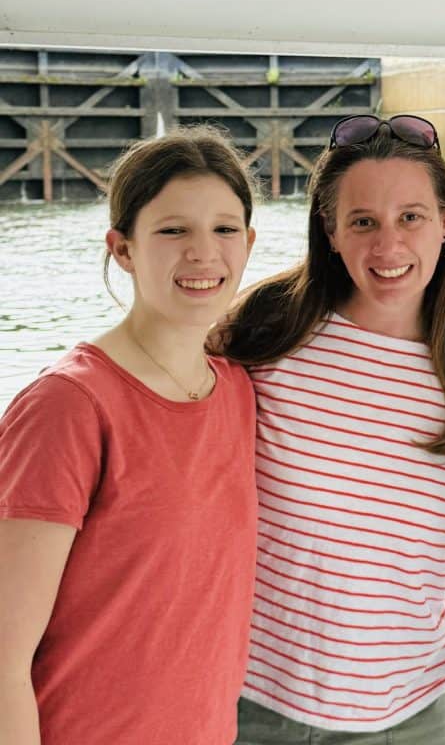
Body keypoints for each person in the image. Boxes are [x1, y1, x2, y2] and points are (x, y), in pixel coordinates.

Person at [217, 114, 445, 745]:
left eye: (411, 217)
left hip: (409, 718)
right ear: (331, 231)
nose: (387, 245)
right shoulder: (267, 328)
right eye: (363, 221)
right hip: (250, 704)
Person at [0, 126, 258, 745]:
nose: (204, 253)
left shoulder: (237, 390)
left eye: (225, 229)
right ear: (122, 249)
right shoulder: (69, 406)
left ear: (249, 243)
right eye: (173, 231)